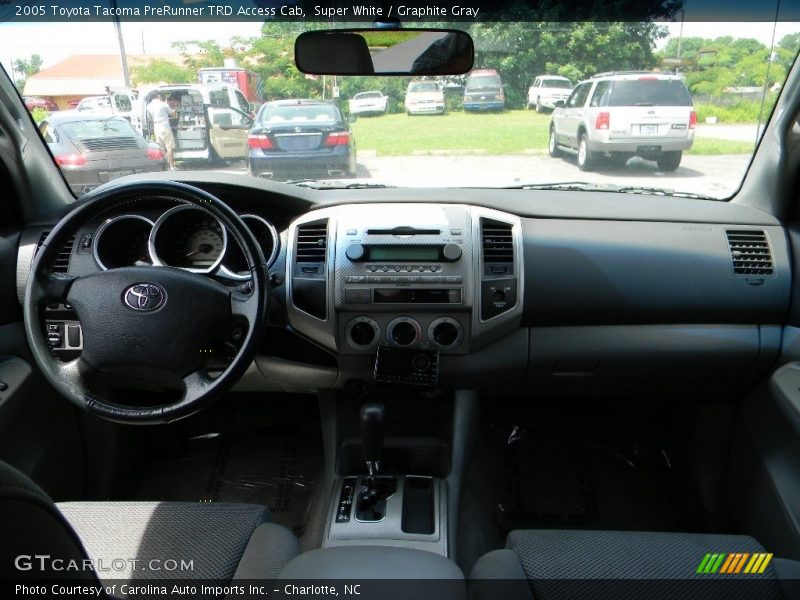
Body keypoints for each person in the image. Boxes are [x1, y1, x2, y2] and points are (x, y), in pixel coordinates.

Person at [146, 92, 176, 170]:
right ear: (158, 96)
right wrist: (175, 110)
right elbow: (172, 113)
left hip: (156, 127)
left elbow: (149, 119)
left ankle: (165, 166)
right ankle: (171, 166)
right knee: (169, 147)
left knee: (161, 148)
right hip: (165, 126)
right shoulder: (163, 104)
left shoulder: (148, 106)